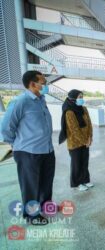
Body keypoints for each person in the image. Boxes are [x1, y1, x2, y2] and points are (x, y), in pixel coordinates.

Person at [1, 71, 55, 225]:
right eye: (43, 82)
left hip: (47, 150)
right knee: (30, 185)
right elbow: (6, 127)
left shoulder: (41, 100)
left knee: (46, 181)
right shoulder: (21, 101)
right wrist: (17, 144)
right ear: (32, 84)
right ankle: (32, 216)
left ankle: (45, 206)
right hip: (28, 152)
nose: (46, 85)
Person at [59, 90, 93, 191]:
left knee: (84, 161)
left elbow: (89, 124)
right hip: (75, 142)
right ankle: (76, 183)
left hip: (86, 140)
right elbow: (74, 130)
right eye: (79, 97)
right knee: (76, 163)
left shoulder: (84, 109)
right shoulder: (69, 112)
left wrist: (90, 137)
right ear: (73, 99)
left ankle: (85, 180)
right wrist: (84, 141)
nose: (81, 99)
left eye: (82, 97)